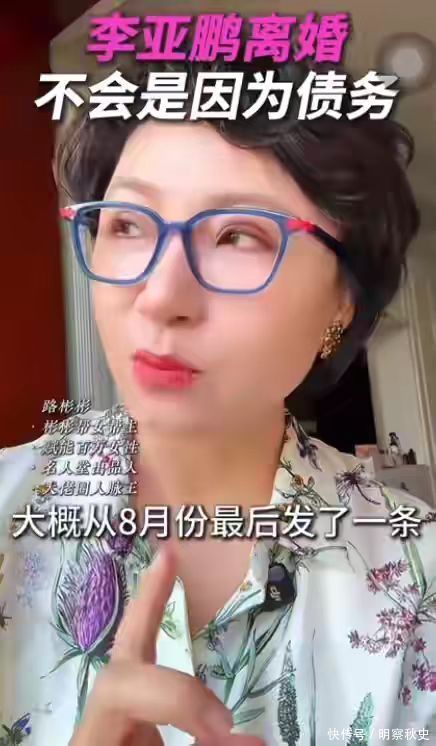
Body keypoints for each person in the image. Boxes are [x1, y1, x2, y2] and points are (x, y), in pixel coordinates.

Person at [0, 56, 435, 746]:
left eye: (238, 235)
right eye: (127, 224)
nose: (160, 296)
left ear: (344, 302)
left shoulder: (420, 578)